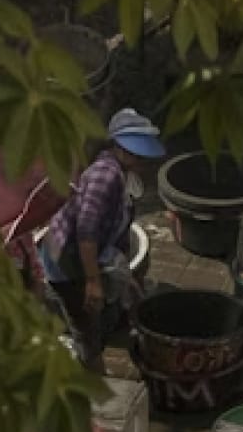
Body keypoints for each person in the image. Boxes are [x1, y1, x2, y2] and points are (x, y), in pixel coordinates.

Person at [41, 108, 166, 369]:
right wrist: (93, 281)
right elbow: (86, 231)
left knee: (116, 296)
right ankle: (92, 368)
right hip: (65, 257)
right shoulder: (105, 176)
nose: (142, 161)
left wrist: (124, 273)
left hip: (87, 250)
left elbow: (116, 230)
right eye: (136, 154)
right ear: (120, 149)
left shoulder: (121, 176)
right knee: (84, 320)